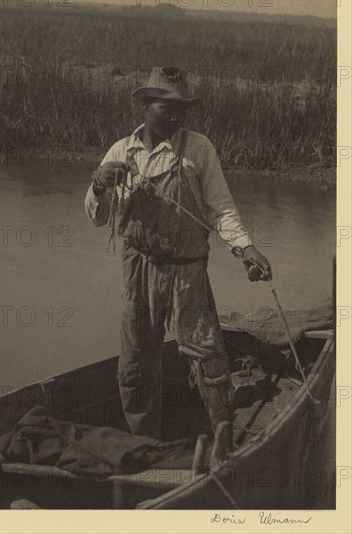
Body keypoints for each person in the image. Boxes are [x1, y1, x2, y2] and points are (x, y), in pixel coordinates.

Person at [85, 67, 271, 440]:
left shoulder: (199, 148)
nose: (175, 115)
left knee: (205, 353)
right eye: (165, 106)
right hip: (138, 267)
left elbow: (220, 208)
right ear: (144, 105)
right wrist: (99, 184)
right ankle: (143, 441)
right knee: (137, 354)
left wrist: (245, 247)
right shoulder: (121, 151)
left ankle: (222, 437)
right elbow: (97, 216)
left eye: (181, 108)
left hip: (187, 270)